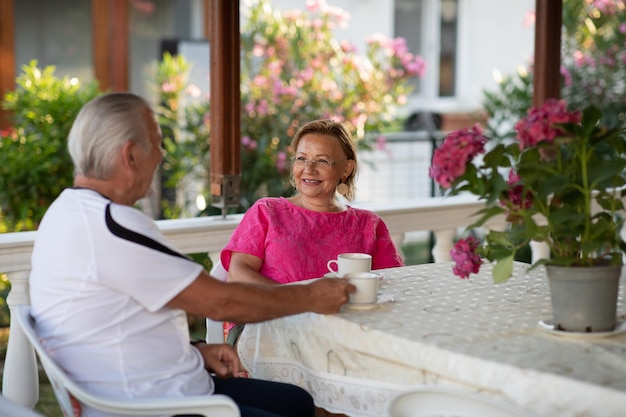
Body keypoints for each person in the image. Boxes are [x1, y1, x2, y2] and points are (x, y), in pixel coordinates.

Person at [28, 92, 355, 417]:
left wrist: (196, 352)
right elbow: (219, 302)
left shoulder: (68, 211)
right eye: (156, 143)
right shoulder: (111, 226)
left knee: (298, 402)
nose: (162, 155)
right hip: (154, 406)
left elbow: (110, 325)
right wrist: (311, 296)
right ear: (130, 155)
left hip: (154, 385)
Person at [221, 119, 404, 345]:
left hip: (342, 333)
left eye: (322, 161)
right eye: (301, 159)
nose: (308, 169)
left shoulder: (368, 224)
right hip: (267, 326)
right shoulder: (268, 212)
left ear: (346, 168)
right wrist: (302, 303)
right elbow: (238, 273)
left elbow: (393, 284)